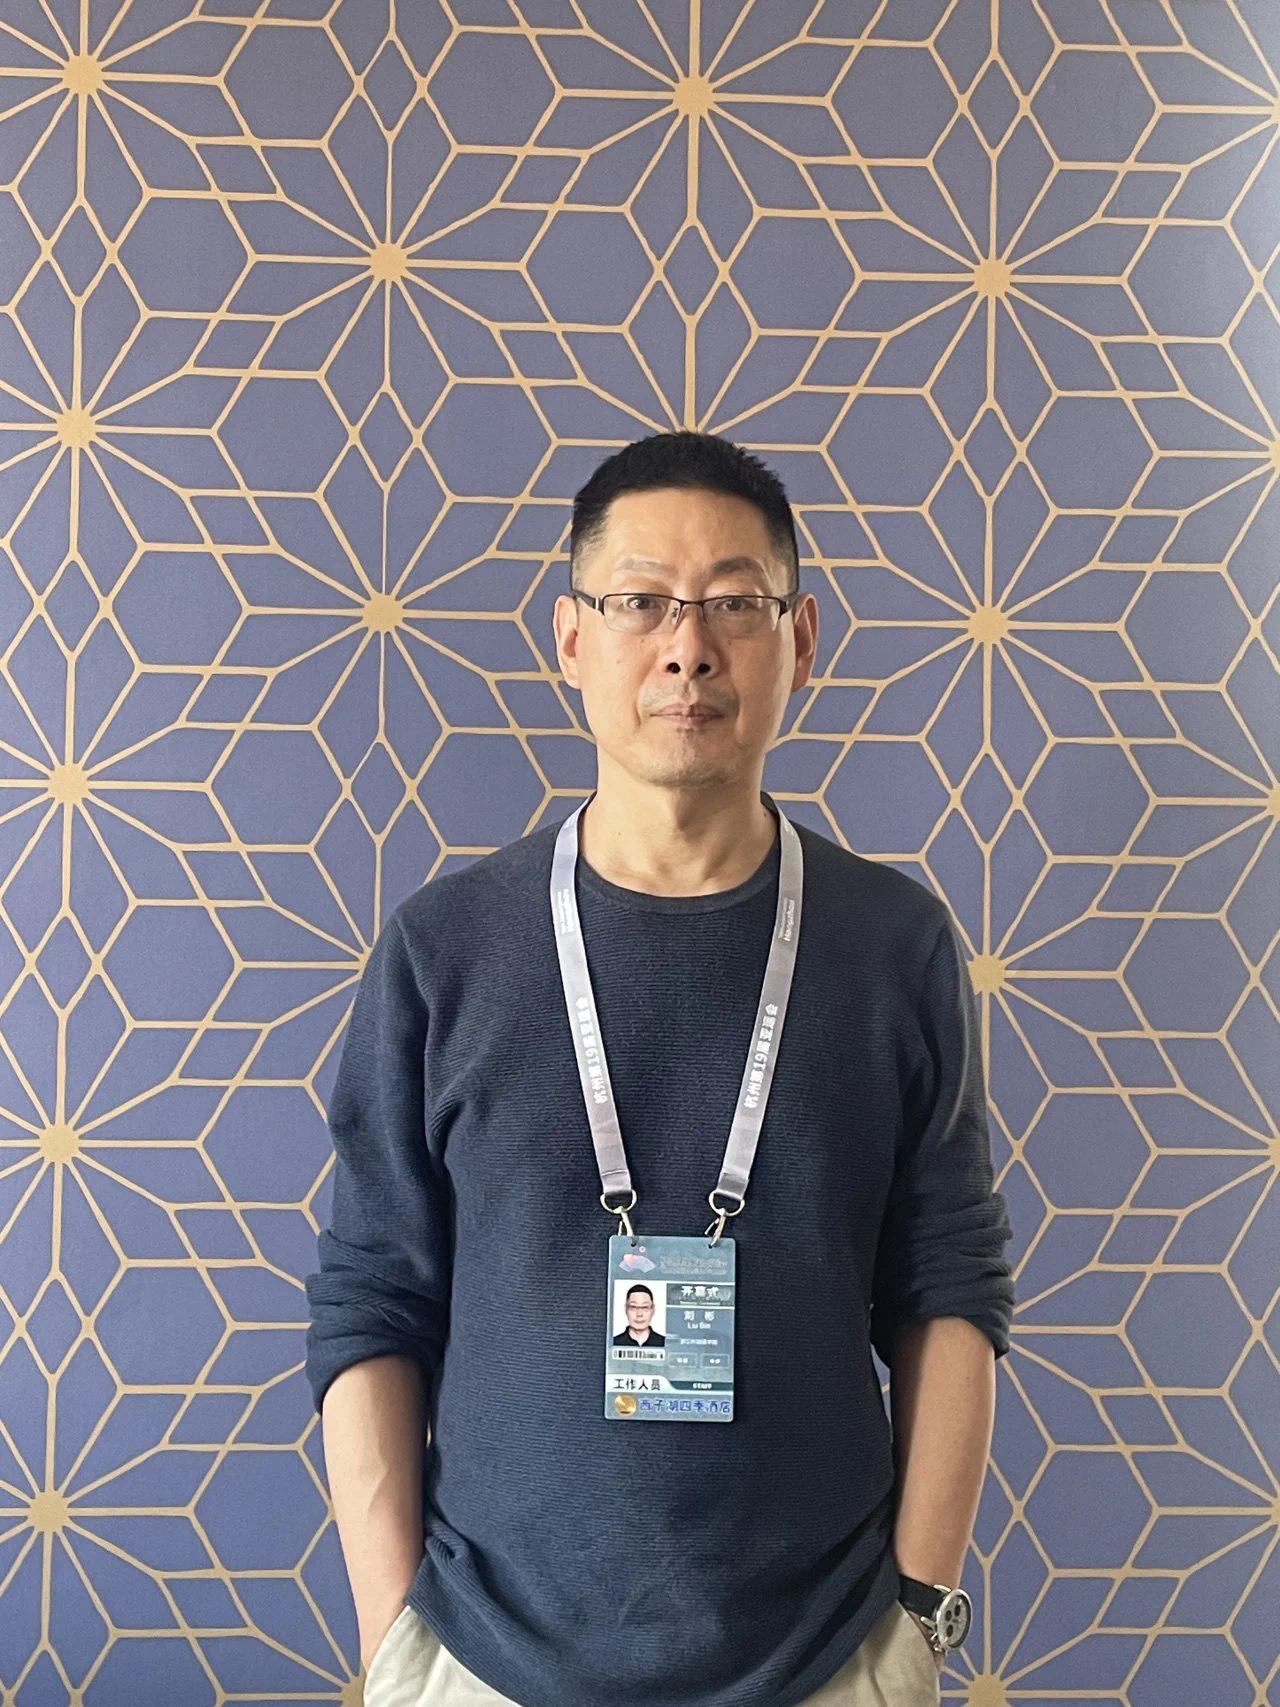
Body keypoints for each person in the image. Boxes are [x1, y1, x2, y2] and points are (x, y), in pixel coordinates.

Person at [304, 430, 1015, 1707]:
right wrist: (394, 1643)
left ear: (801, 639)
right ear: (571, 638)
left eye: (734, 604)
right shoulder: (442, 950)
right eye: (640, 602)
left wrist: (914, 1624)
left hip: (829, 1658)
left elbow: (948, 1286)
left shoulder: (892, 946)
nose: (687, 647)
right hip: (483, 1659)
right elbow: (373, 1298)